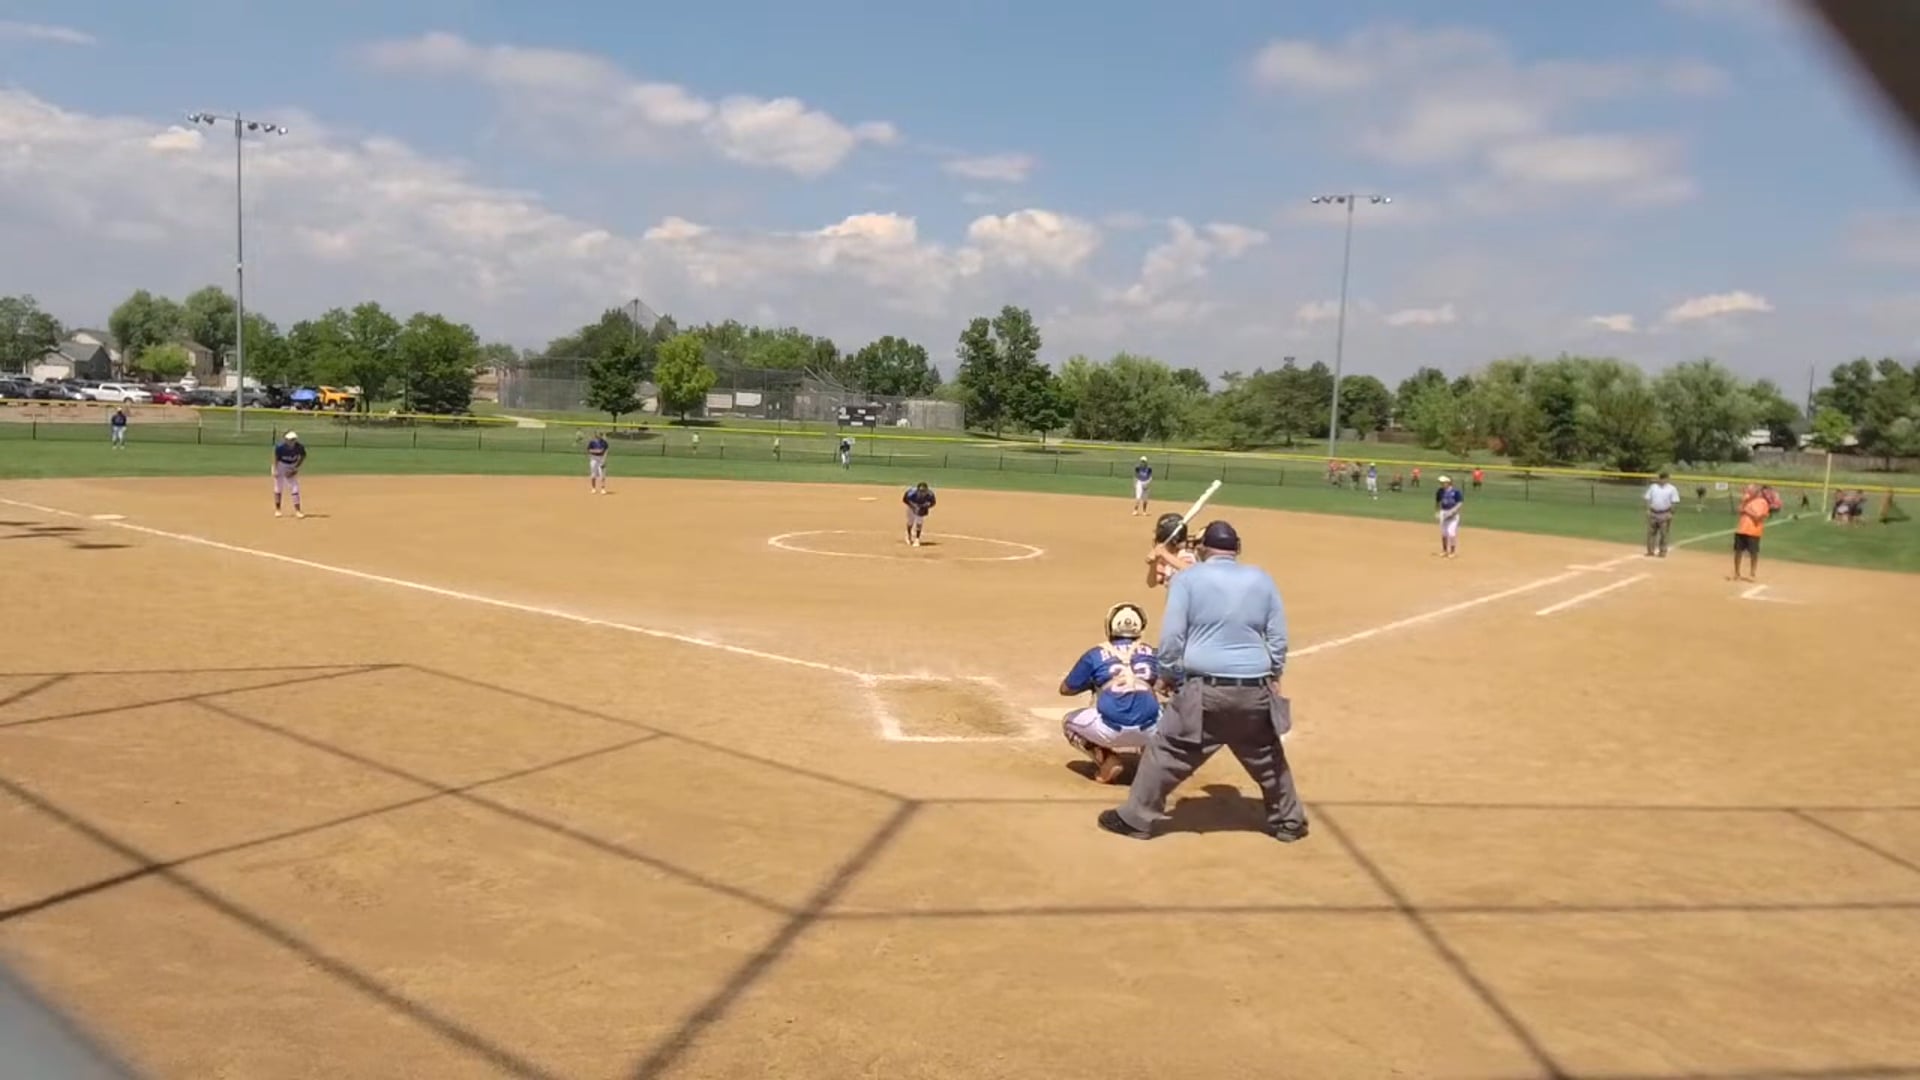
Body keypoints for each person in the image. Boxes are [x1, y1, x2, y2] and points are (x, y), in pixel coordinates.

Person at [1100, 520, 1307, 842]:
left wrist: (1168, 673)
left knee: (1167, 752)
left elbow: (1172, 637)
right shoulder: (1262, 578)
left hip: (1204, 690)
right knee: (1267, 756)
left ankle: (1136, 819)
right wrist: (1275, 674)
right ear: (1237, 549)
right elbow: (1277, 638)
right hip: (1254, 688)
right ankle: (1289, 822)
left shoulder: (1187, 579)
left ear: (1202, 549)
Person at [1059, 603, 1162, 784]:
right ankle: (1153, 759)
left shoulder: (1095, 654)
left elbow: (1066, 689)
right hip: (1150, 730)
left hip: (1109, 730)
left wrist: (1095, 683)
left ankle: (1106, 759)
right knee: (1169, 713)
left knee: (1068, 722)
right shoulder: (1154, 653)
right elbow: (1176, 685)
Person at [1145, 513, 1196, 588]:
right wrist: (1153, 563)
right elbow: (1151, 583)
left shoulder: (1186, 554)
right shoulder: (1165, 555)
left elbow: (1193, 572)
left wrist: (1164, 554)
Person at [1732, 483, 1769, 581]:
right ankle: (1737, 573)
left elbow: (1758, 517)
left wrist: (1747, 510)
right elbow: (1739, 510)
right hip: (1741, 529)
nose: (1747, 492)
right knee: (1738, 552)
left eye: (1749, 491)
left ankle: (1752, 573)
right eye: (1747, 490)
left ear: (1755, 492)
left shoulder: (1762, 502)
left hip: (1753, 531)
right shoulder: (1746, 500)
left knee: (1753, 553)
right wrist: (1743, 503)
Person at [1644, 470, 1681, 557]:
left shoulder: (1672, 489)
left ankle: (1662, 551)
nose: (1662, 480)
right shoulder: (1653, 487)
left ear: (1667, 479)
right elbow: (1648, 498)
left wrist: (1671, 513)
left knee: (1664, 533)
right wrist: (1648, 509)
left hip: (1664, 513)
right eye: (1660, 478)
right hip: (1653, 512)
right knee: (1651, 533)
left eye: (1664, 478)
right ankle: (1650, 551)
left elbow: (1674, 502)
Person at [272, 431, 306, 519]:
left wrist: (295, 468)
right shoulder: (280, 447)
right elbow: (276, 458)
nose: (292, 441)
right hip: (281, 465)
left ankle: (298, 511)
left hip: (292, 465)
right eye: (290, 439)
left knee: (295, 488)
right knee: (278, 487)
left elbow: (303, 456)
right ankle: (278, 510)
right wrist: (275, 469)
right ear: (286, 439)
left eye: (294, 439)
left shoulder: (299, 447)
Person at [1435, 475, 1464, 558]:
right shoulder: (1440, 491)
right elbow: (1437, 502)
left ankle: (1452, 552)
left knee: (1451, 533)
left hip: (1453, 514)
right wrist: (1437, 512)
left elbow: (1460, 503)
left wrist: (1453, 511)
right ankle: (1444, 551)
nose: (1441, 483)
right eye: (1441, 482)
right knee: (1444, 533)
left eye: (1443, 482)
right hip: (1443, 512)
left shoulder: (1455, 492)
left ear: (1448, 482)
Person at [902, 482, 936, 546]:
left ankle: (917, 539)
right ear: (917, 490)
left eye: (924, 491)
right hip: (911, 507)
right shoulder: (911, 492)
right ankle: (909, 535)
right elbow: (905, 500)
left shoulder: (930, 494)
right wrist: (913, 506)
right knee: (910, 522)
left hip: (921, 508)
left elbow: (933, 503)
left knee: (919, 522)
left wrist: (926, 506)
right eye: (921, 491)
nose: (922, 492)